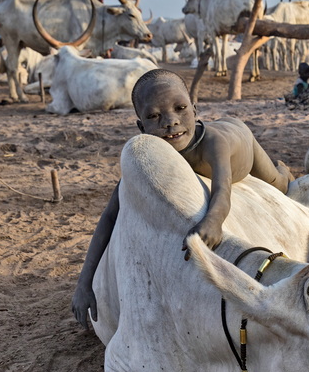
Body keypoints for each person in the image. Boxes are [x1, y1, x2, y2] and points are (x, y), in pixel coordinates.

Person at [71, 68, 295, 328]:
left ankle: (285, 171)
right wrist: (83, 284)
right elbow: (110, 215)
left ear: (195, 110)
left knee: (278, 183)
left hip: (240, 139)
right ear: (141, 127)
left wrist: (213, 221)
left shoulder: (214, 143)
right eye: (155, 116)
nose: (171, 121)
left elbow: (222, 190)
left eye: (180, 109)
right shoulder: (153, 156)